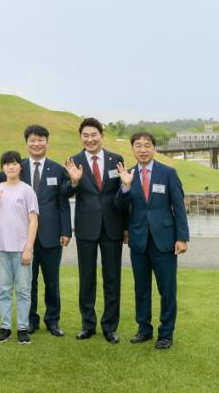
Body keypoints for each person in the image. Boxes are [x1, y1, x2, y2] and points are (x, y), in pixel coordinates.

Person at [0, 125, 71, 337]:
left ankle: (53, 320)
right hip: (23, 237)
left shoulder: (58, 169)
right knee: (28, 281)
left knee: (52, 281)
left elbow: (62, 202)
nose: (36, 144)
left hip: (51, 234)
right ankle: (29, 321)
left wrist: (66, 230)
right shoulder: (19, 166)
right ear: (26, 143)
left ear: (47, 142)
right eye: (32, 140)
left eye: (40, 140)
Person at [115, 132, 189, 349]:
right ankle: (144, 329)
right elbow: (119, 206)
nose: (143, 149)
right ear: (132, 149)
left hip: (164, 240)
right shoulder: (127, 174)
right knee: (141, 288)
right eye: (138, 145)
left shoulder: (168, 173)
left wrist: (182, 237)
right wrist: (125, 186)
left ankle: (166, 333)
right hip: (138, 240)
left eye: (147, 145)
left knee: (167, 289)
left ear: (154, 148)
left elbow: (179, 207)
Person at [63, 117, 126, 343]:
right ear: (81, 137)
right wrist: (74, 182)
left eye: (94, 135)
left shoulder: (116, 160)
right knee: (87, 278)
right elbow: (65, 193)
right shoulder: (74, 161)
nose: (90, 139)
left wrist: (126, 227)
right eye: (85, 136)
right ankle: (87, 324)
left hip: (112, 227)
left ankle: (110, 327)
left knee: (112, 279)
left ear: (102, 135)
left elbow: (122, 195)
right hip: (86, 227)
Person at [0, 150, 39, 345]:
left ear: (20, 166)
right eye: (7, 164)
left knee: (24, 289)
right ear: (2, 168)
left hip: (21, 248)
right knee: (3, 289)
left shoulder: (27, 190)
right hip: (0, 246)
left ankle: (23, 328)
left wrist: (28, 248)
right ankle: (5, 327)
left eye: (14, 163)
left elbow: (33, 221)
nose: (11, 167)